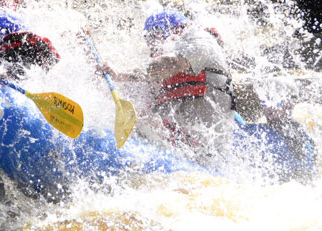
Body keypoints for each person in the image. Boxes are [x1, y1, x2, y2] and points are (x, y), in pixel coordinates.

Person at [98, 10, 237, 156]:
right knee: (141, 116)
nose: (150, 45)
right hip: (185, 142)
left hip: (207, 143)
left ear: (167, 29)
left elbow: (173, 63)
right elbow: (132, 94)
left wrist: (122, 75)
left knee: (146, 121)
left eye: (151, 37)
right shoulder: (165, 61)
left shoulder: (198, 38)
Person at [0, 13, 60, 80]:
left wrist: (7, 75)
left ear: (5, 30)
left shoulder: (31, 42)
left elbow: (32, 70)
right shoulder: (0, 51)